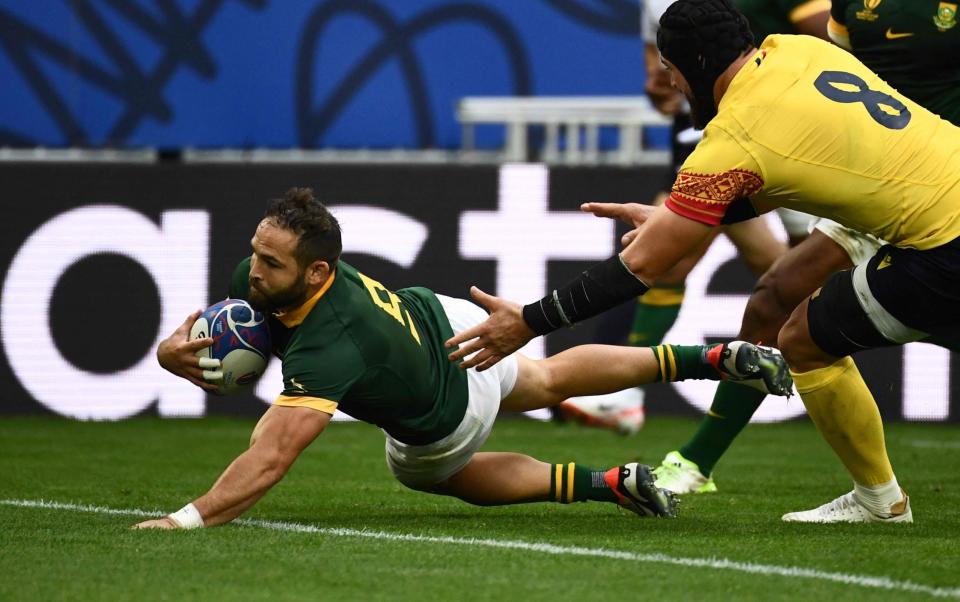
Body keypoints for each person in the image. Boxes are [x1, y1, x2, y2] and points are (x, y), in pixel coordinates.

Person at [447, 0, 960, 523]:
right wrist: (677, 216)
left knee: (803, 337)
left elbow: (638, 270)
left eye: (669, 69)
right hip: (942, 201)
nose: (669, 84)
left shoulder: (734, 136)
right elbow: (801, 161)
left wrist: (530, 321)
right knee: (789, 304)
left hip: (944, 244)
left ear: (692, 64)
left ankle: (880, 501)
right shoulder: (797, 52)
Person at [132, 188, 792, 530]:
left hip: (446, 413)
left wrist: (187, 518)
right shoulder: (273, 277)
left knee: (429, 475)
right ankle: (711, 358)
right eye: (257, 251)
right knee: (546, 377)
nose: (254, 269)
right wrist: (173, 353)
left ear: (316, 273)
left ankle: (605, 483)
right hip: (452, 323)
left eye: (271, 262)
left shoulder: (333, 346)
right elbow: (242, 326)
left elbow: (271, 456)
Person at [645, 0, 960, 496]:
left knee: (813, 315)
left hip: (940, 181)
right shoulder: (853, 6)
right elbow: (844, 76)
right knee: (775, 297)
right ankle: (696, 460)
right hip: (875, 175)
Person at [559, 0, 830, 443]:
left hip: (786, 126)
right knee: (778, 271)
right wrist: (665, 82)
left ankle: (625, 392)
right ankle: (627, 394)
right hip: (708, 125)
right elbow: (660, 68)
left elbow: (825, 32)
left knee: (678, 254)